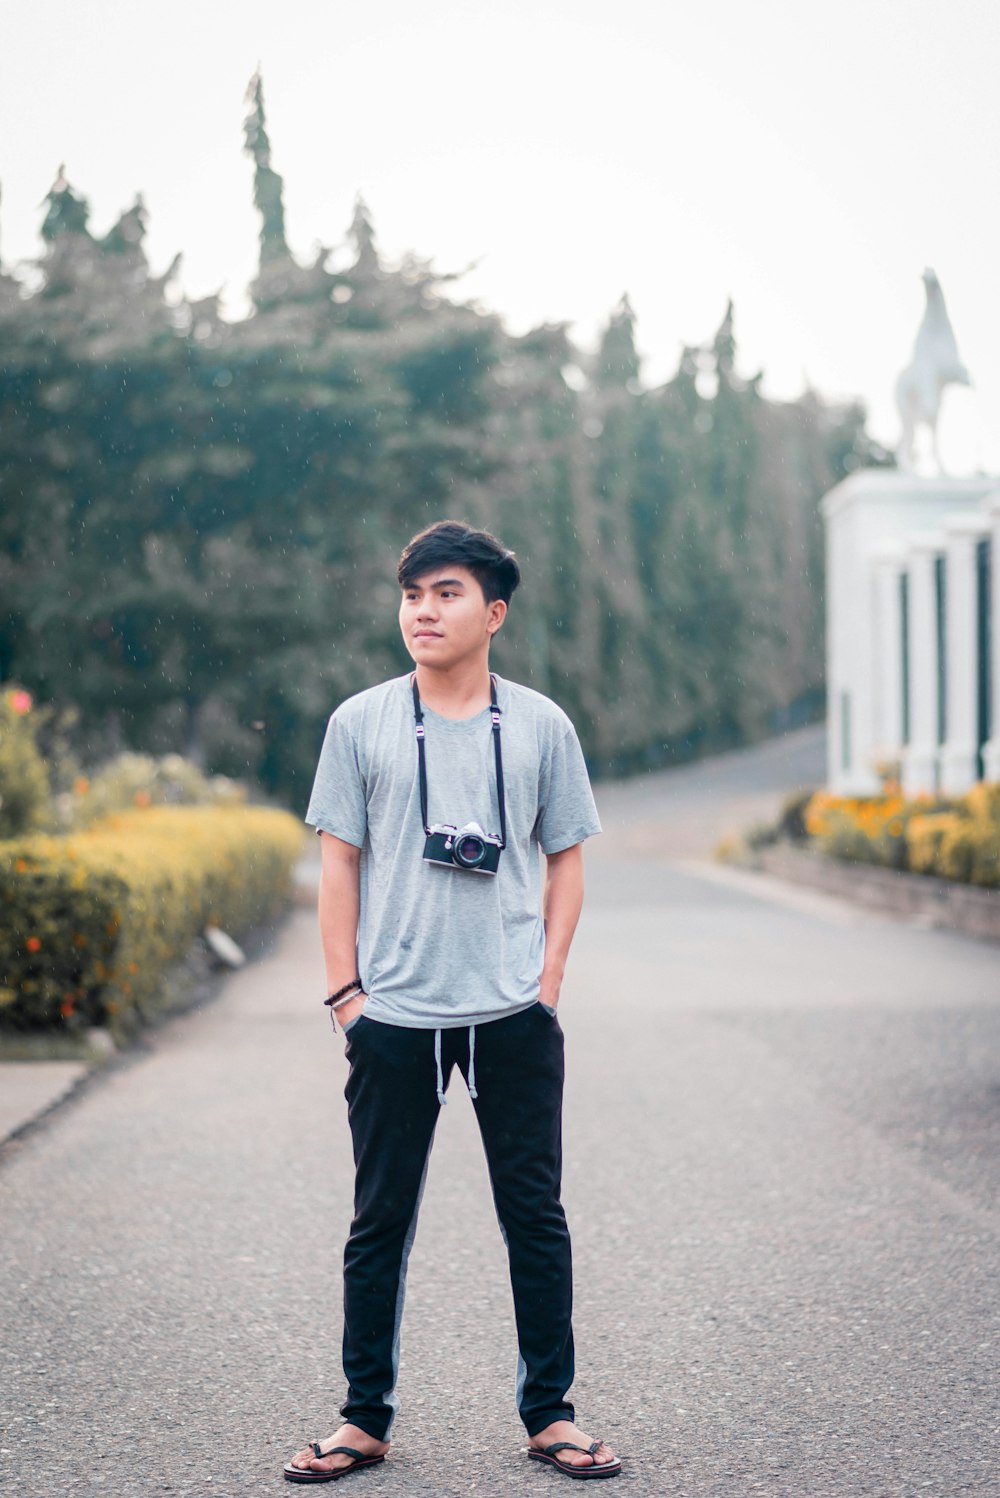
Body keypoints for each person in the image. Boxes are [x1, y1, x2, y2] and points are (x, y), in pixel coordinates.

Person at [284, 520, 620, 1484]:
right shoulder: (361, 723)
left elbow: (567, 860)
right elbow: (337, 863)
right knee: (378, 1220)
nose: (423, 611)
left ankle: (551, 1414)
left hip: (511, 1014)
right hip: (392, 1017)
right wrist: (348, 996)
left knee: (534, 1215)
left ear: (494, 612)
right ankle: (362, 1418)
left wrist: (546, 982)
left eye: (446, 593)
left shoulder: (544, 725)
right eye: (412, 595)